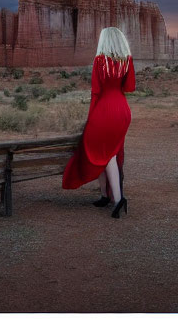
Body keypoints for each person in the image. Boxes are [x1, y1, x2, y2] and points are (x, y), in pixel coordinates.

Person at [61, 26, 135, 218]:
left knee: (105, 153)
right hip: (122, 111)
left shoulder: (100, 60)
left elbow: (95, 92)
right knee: (108, 151)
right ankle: (104, 195)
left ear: (104, 41)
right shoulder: (126, 60)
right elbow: (129, 87)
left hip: (104, 111)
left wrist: (90, 117)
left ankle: (118, 200)